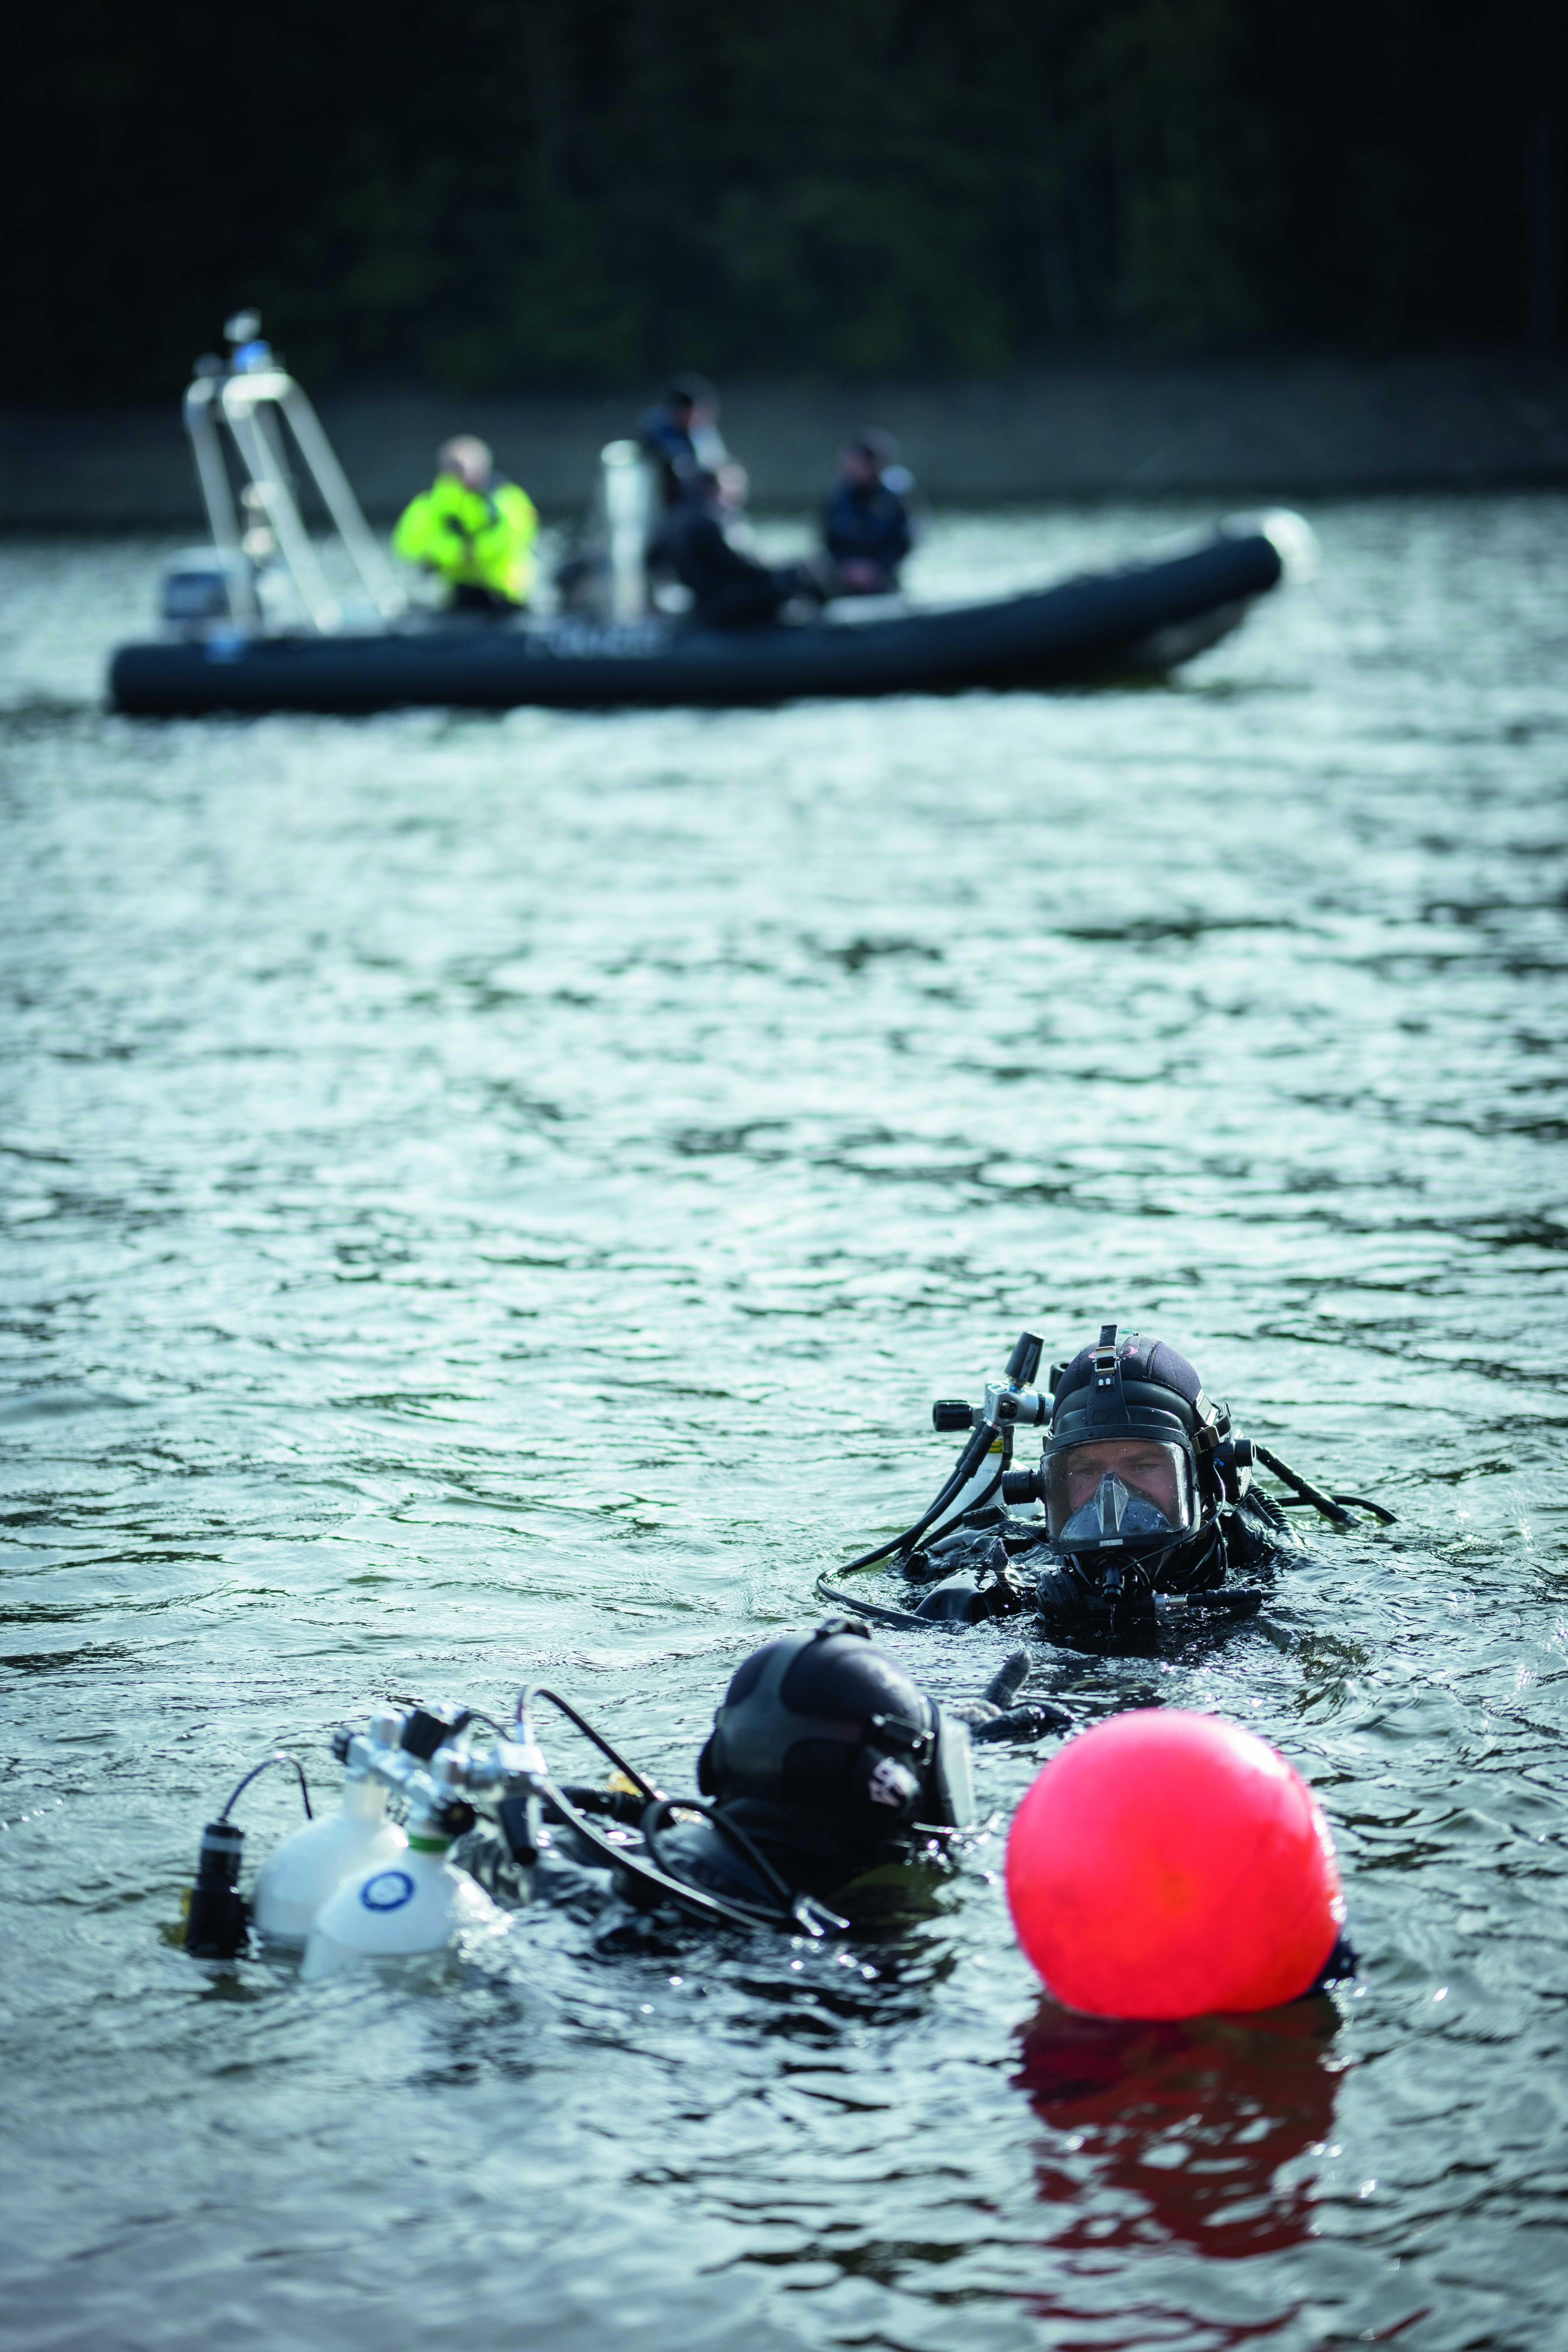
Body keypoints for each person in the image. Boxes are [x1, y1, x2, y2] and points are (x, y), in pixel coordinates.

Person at [457, 1618, 1064, 1929]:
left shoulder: (607, 1861)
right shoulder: (847, 1977)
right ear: (891, 1795)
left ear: (716, 1762)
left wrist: (945, 1737)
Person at [877, 1325, 1339, 1640]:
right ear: (1047, 1485)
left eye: (1143, 1466)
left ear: (1207, 1476)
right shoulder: (1005, 1573)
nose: (1112, 1498)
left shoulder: (1271, 1573)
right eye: (1085, 1471)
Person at [391, 435, 539, 614]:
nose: (458, 474)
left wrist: (473, 552)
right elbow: (408, 543)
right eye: (453, 467)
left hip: (506, 594)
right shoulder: (433, 502)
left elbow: (514, 535)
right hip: (458, 594)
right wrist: (457, 553)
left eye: (463, 467)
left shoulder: (508, 497)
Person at [666, 467, 823, 629]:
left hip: (713, 597)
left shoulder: (690, 517)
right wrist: (776, 570)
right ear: (713, 488)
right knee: (794, 578)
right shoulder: (705, 522)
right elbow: (732, 566)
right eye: (733, 484)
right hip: (719, 602)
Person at [821, 431, 914, 596]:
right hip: (845, 577)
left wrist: (876, 569)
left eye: (857, 463)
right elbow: (828, 541)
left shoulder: (896, 498)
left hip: (883, 578)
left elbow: (906, 541)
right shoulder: (838, 498)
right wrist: (848, 569)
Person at [638, 373, 727, 510]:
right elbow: (677, 462)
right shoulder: (656, 429)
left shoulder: (700, 429)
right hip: (667, 498)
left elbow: (717, 462)